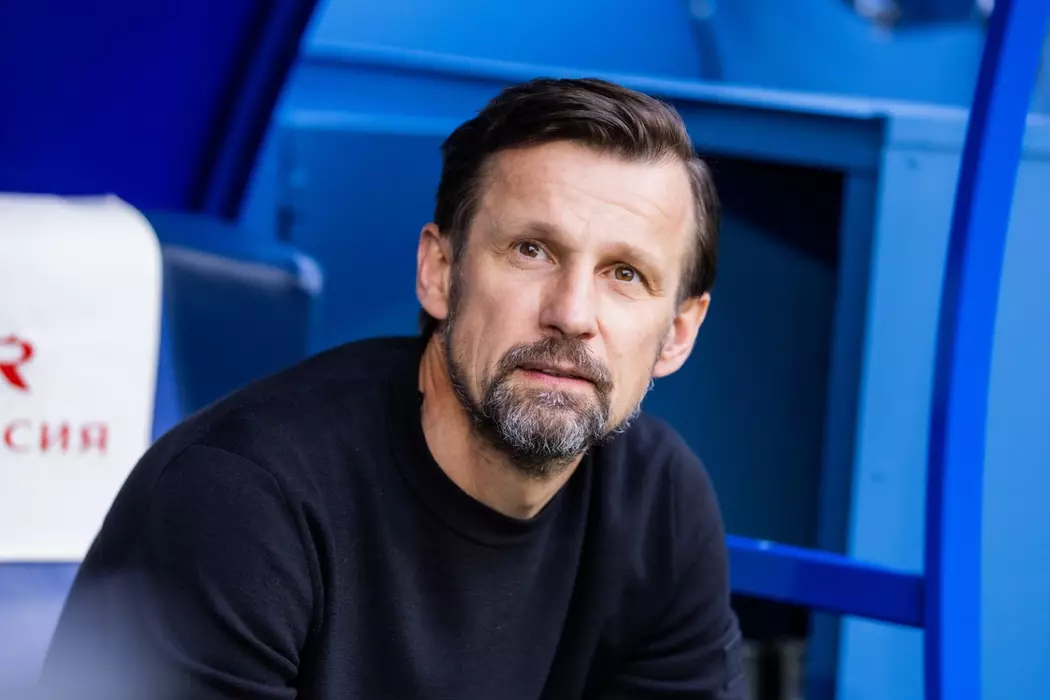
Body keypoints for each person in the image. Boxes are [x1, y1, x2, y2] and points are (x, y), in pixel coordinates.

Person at [38, 77, 746, 700]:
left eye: (625, 274)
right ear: (439, 272)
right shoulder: (240, 500)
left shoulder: (660, 501)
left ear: (678, 333)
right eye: (531, 250)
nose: (572, 313)